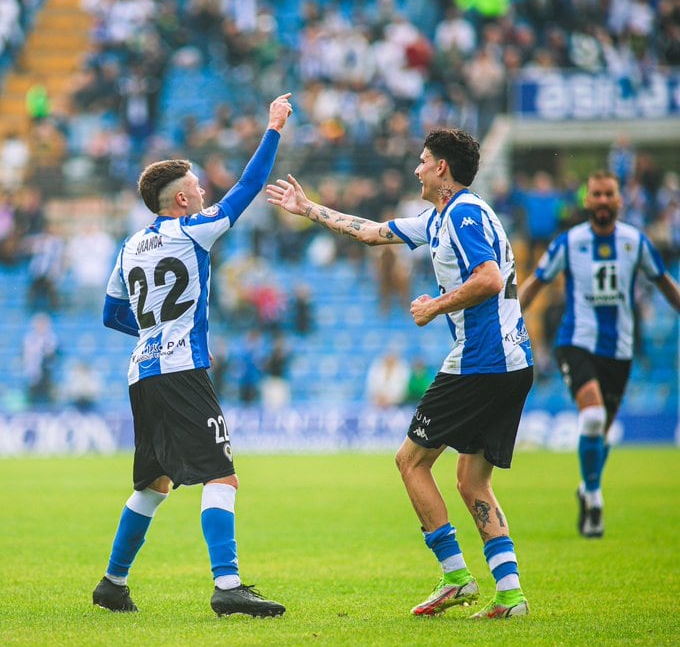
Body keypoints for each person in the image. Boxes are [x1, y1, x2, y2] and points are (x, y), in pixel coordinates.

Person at [267, 128, 534, 619]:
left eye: (424, 159)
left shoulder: (464, 214)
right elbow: (372, 232)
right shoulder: (439, 218)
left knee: (411, 461)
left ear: (442, 169)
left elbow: (489, 278)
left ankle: (455, 576)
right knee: (472, 482)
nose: (416, 167)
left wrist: (436, 306)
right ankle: (511, 594)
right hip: (513, 362)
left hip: (481, 358)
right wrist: (309, 209)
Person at [93, 93, 293, 618]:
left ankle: (113, 584)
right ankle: (227, 586)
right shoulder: (194, 231)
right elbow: (248, 189)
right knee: (220, 475)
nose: (205, 195)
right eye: (198, 189)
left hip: (142, 370)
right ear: (181, 200)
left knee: (153, 483)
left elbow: (112, 315)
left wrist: (155, 329)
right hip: (183, 369)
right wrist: (273, 129)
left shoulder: (130, 246)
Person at [518, 170, 680, 538]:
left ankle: (587, 485)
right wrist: (507, 317)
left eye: (609, 194)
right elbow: (536, 284)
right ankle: (594, 499)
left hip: (618, 350)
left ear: (619, 200)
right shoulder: (568, 243)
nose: (603, 201)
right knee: (591, 417)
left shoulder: (634, 243)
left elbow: (665, 284)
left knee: (602, 432)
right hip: (576, 341)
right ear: (587, 201)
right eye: (597, 194)